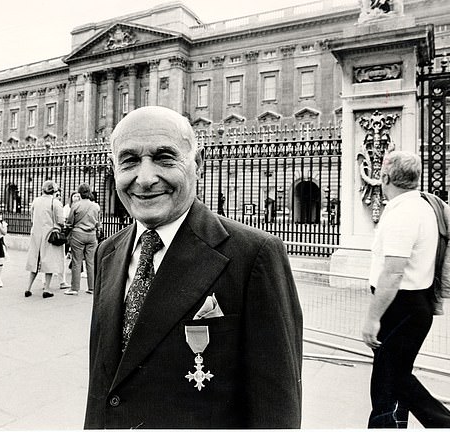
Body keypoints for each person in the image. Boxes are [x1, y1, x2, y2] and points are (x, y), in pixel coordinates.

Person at [84, 106, 302, 429]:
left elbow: (277, 412)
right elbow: (103, 387)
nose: (144, 179)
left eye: (164, 158)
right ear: (113, 169)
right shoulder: (107, 253)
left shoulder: (255, 255)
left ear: (197, 165)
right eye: (129, 161)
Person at [362, 150, 450, 428]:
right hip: (412, 304)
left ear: (383, 177)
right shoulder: (422, 206)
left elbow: (393, 271)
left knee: (389, 384)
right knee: (393, 379)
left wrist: (372, 318)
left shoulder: (402, 213)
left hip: (400, 307)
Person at [24, 180, 64, 299]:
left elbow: (32, 217)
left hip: (36, 233)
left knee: (35, 260)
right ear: (54, 190)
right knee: (49, 261)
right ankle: (46, 289)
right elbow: (61, 220)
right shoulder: (55, 203)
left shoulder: (36, 201)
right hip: (50, 234)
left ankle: (28, 288)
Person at [64, 183, 101, 296]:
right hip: (92, 235)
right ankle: (92, 288)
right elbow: (98, 223)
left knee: (76, 261)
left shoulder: (76, 205)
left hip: (78, 234)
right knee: (91, 262)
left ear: (79, 193)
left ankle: (74, 288)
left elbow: (70, 222)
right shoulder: (96, 206)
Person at [59, 191, 81, 289]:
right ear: (71, 198)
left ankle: (77, 270)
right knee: (64, 254)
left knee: (77, 254)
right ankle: (60, 271)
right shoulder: (67, 208)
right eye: (74, 196)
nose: (76, 198)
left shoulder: (81, 206)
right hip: (69, 234)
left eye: (78, 196)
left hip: (77, 233)